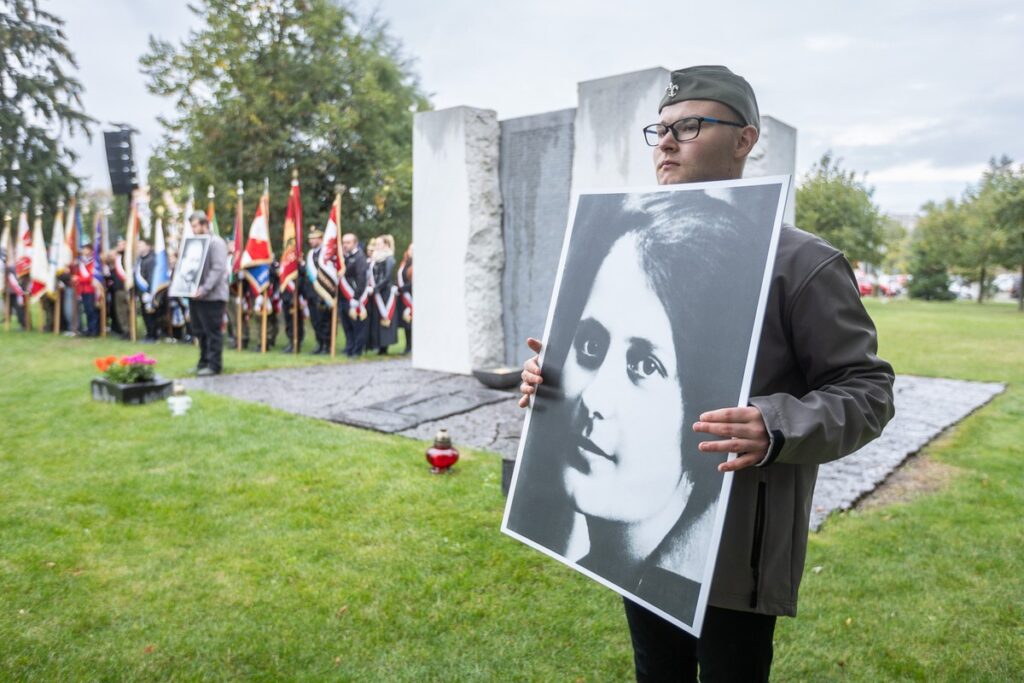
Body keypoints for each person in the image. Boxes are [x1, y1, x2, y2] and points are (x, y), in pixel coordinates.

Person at [518, 65, 896, 682]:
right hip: (636, 548)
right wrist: (551, 377)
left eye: (688, 126)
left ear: (744, 140)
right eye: (660, 129)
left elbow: (869, 391)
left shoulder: (800, 262)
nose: (665, 142)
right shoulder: (630, 242)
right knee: (655, 670)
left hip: (734, 547)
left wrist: (775, 423)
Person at [188, 211, 228, 376]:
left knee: (212, 332)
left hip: (212, 297)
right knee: (200, 332)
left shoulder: (216, 243)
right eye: (192, 226)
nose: (193, 229)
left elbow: (218, 269)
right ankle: (203, 361)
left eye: (196, 225)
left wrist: (204, 289)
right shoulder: (195, 243)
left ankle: (214, 365)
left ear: (205, 224)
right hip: (196, 296)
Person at [300, 227, 331, 354]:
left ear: (321, 239)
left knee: (324, 320)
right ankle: (320, 343)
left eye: (314, 238)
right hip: (311, 292)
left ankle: (327, 344)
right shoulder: (311, 254)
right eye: (310, 239)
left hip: (322, 292)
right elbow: (307, 273)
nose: (311, 241)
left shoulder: (325, 253)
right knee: (315, 320)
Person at [367, 234, 398, 354]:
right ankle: (378, 344)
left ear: (386, 245)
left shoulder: (389, 259)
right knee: (376, 318)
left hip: (384, 293)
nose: (377, 246)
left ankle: (385, 346)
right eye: (376, 244)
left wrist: (376, 288)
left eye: (379, 244)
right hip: (376, 292)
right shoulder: (375, 259)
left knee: (385, 318)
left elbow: (387, 277)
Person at [340, 233, 369, 357]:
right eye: (344, 242)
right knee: (347, 325)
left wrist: (356, 297)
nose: (345, 245)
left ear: (355, 243)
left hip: (354, 296)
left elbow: (361, 278)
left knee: (357, 325)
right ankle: (349, 347)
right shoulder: (344, 258)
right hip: (343, 296)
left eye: (348, 242)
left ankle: (357, 350)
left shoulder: (359, 257)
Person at [73, 244, 99, 337]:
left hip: (91, 290)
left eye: (86, 250)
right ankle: (89, 329)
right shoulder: (81, 263)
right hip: (83, 290)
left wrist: (78, 279)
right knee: (87, 310)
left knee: (92, 310)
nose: (84, 251)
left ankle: (94, 330)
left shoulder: (94, 263)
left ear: (91, 251)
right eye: (83, 250)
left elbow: (90, 277)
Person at [396, 243, 413, 355]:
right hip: (405, 296)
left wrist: (402, 289)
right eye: (411, 249)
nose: (412, 251)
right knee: (407, 323)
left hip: (413, 296)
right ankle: (408, 346)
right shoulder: (405, 263)